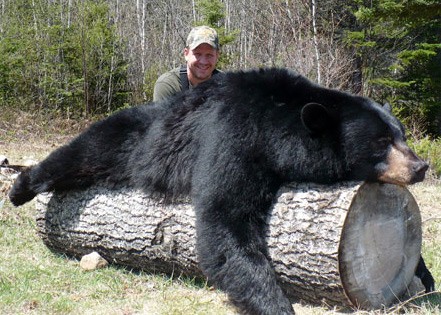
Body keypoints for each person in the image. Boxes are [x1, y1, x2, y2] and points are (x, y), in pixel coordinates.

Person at [153, 25, 222, 102]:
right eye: (197, 54)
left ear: (217, 56)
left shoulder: (225, 85)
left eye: (209, 55)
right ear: (186, 54)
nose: (203, 61)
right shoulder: (169, 85)